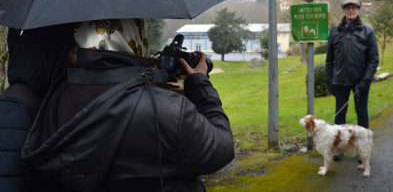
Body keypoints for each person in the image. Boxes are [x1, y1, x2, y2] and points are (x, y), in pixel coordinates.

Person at [22, 19, 234, 192]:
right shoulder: (169, 111)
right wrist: (200, 85)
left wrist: (138, 84)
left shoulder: (56, 100)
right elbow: (221, 149)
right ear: (134, 35)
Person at [0, 26, 76, 192]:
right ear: (49, 54)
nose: (73, 59)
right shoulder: (14, 113)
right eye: (69, 51)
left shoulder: (45, 99)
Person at [326, 0, 379, 159]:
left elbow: (373, 59)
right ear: (343, 10)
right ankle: (340, 148)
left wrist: (365, 81)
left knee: (361, 113)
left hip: (360, 81)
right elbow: (329, 60)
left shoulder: (367, 31)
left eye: (354, 8)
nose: (351, 11)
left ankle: (362, 150)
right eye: (347, 8)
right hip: (340, 80)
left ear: (358, 10)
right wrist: (330, 81)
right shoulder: (335, 32)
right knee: (339, 116)